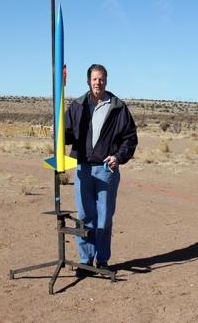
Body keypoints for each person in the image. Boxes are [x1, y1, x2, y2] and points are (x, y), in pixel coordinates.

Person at [65, 64, 138, 277]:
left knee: (104, 218)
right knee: (85, 216)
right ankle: (85, 261)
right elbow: (69, 134)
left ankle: (103, 260)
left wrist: (118, 157)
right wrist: (58, 132)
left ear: (106, 81)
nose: (98, 82)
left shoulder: (118, 107)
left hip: (106, 170)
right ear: (88, 81)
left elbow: (130, 138)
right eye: (95, 79)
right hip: (83, 169)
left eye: (102, 79)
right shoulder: (78, 105)